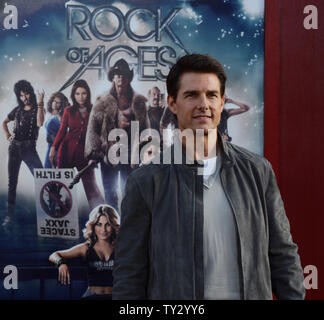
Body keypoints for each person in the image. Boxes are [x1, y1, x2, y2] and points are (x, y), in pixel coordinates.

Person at [112, 54, 305, 300]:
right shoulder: (146, 180)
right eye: (192, 95)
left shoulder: (258, 171)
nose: (203, 104)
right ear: (172, 103)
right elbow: (130, 273)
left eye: (212, 95)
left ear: (222, 102)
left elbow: (283, 255)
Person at [85, 58, 150, 212]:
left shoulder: (139, 102)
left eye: (123, 75)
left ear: (129, 78)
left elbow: (145, 129)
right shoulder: (102, 101)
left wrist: (146, 152)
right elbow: (92, 128)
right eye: (117, 74)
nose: (120, 78)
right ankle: (113, 227)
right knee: (110, 193)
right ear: (113, 77)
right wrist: (94, 153)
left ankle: (128, 226)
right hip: (109, 155)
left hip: (131, 154)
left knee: (130, 193)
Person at [49, 79, 104, 210]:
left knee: (91, 187)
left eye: (84, 93)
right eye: (77, 94)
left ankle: (99, 214)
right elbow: (62, 130)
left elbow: (98, 133)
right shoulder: (68, 110)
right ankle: (60, 214)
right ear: (73, 95)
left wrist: (96, 154)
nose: (81, 97)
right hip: (66, 152)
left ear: (88, 94)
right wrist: (53, 147)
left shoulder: (94, 109)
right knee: (62, 187)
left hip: (85, 154)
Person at [49, 205, 119, 300]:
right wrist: (61, 263)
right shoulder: (86, 248)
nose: (103, 230)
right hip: (91, 296)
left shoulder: (121, 248)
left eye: (108, 224)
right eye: (99, 224)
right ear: (93, 226)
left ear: (113, 225)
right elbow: (54, 255)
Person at [2, 80, 45, 227]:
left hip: (29, 149)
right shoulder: (18, 110)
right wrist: (8, 135)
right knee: (12, 183)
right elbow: (4, 122)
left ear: (30, 92)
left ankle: (49, 213)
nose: (24, 97)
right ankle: (10, 216)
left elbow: (40, 123)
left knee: (42, 179)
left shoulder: (38, 109)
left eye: (26, 93)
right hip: (14, 148)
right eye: (21, 95)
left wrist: (40, 102)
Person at [44, 92, 69, 168]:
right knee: (48, 174)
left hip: (58, 148)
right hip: (50, 147)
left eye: (58, 102)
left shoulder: (62, 116)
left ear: (61, 104)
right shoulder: (49, 114)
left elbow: (64, 132)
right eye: (54, 101)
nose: (55, 104)